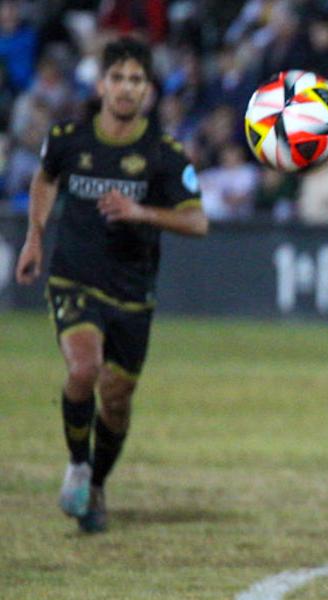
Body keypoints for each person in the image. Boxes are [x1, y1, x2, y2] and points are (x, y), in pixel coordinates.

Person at [15, 36, 208, 533]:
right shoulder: (67, 137)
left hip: (132, 288)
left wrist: (141, 211)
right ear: (101, 85)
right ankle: (78, 463)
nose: (126, 88)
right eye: (117, 78)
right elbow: (45, 179)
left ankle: (96, 484)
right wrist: (35, 236)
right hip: (74, 276)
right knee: (85, 368)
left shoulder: (164, 155)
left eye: (136, 80)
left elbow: (197, 222)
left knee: (117, 398)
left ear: (148, 90)